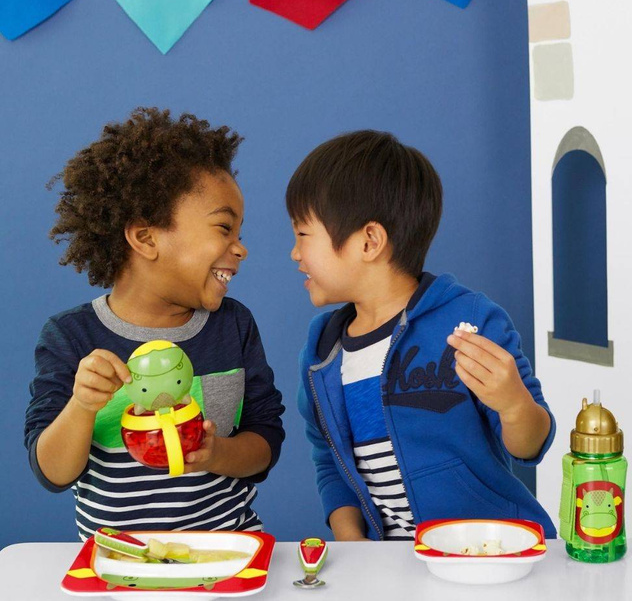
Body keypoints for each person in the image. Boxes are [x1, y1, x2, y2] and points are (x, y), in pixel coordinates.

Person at [25, 107, 285, 540]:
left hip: (227, 549)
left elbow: (266, 441)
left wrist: (217, 453)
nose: (240, 248)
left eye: (239, 233)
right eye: (224, 228)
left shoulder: (234, 325)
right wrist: (83, 405)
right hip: (119, 561)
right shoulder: (70, 337)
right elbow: (52, 473)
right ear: (146, 238)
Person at [286, 130, 556, 541]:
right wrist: (354, 547)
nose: (295, 253)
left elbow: (530, 446)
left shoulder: (471, 319)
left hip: (490, 551)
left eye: (302, 235)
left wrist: (514, 404)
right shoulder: (322, 350)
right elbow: (329, 460)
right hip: (392, 564)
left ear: (369, 242)